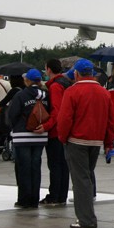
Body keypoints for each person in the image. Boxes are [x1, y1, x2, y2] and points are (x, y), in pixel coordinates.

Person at [57, 59, 114, 228]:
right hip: (95, 141)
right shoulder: (104, 92)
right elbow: (110, 120)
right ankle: (87, 215)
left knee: (80, 180)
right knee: (88, 177)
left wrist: (63, 137)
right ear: (92, 73)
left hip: (76, 141)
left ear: (76, 73)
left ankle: (86, 219)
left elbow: (65, 118)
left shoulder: (72, 91)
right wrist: (108, 143)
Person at [7, 69, 50, 209]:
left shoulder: (21, 95)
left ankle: (24, 200)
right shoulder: (46, 95)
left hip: (22, 136)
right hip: (41, 135)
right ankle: (34, 199)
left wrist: (13, 128)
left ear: (28, 80)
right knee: (35, 167)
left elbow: (13, 114)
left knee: (23, 168)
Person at [38, 58, 72, 207]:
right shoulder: (66, 83)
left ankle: (54, 196)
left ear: (49, 69)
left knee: (55, 165)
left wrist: (46, 126)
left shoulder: (55, 87)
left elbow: (57, 111)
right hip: (66, 131)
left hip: (56, 132)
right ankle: (61, 195)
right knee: (64, 165)